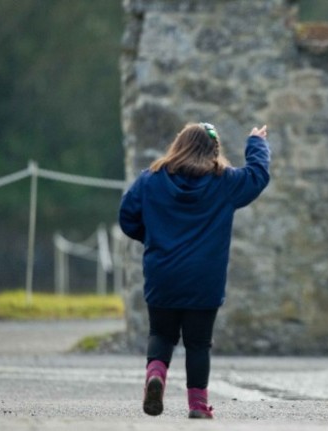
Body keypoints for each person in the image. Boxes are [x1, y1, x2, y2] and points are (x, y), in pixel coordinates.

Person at [118, 121, 270, 419]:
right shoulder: (225, 182)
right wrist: (256, 143)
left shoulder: (150, 180)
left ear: (178, 145)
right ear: (214, 150)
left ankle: (156, 375)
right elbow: (258, 175)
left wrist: (153, 238)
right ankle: (198, 405)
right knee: (198, 343)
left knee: (161, 333)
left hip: (162, 272)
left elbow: (127, 216)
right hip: (205, 278)